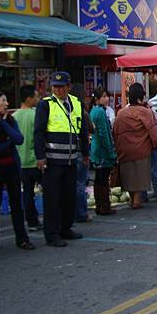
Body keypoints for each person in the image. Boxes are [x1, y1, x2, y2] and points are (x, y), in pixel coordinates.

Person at [34, 72, 89, 247]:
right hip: (52, 161)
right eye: (55, 87)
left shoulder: (76, 103)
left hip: (71, 160)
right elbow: (38, 132)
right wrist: (40, 156)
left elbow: (82, 130)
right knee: (52, 199)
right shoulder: (46, 105)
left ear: (68, 86)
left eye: (61, 86)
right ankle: (52, 234)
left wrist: (86, 153)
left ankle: (66, 228)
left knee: (68, 197)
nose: (58, 90)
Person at [0, 91, 35, 252]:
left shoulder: (10, 120)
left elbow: (18, 139)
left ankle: (22, 238)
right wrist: (6, 145)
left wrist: (3, 123)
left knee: (17, 203)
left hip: (12, 167)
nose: (7, 104)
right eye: (3, 101)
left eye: (7, 101)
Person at [113, 83, 157, 210]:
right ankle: (137, 201)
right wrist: (156, 144)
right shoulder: (145, 112)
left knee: (128, 175)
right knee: (140, 176)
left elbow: (115, 131)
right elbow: (153, 131)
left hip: (124, 149)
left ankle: (132, 199)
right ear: (140, 98)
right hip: (141, 148)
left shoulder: (121, 113)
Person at [12, 85, 41, 232]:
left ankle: (32, 221)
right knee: (49, 190)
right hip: (36, 160)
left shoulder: (14, 117)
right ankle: (51, 219)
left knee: (27, 193)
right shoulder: (35, 115)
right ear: (29, 98)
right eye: (36, 96)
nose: (38, 99)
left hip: (20, 162)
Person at [89, 87, 117, 215]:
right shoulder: (100, 112)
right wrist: (110, 150)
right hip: (102, 151)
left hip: (95, 149)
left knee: (98, 178)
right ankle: (105, 206)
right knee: (103, 179)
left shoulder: (94, 111)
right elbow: (104, 133)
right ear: (97, 98)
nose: (107, 99)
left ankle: (99, 205)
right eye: (104, 96)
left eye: (107, 96)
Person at [70, 83, 92, 223]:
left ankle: (71, 213)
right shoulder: (81, 111)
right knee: (80, 183)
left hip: (69, 151)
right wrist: (85, 154)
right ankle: (81, 213)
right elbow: (88, 130)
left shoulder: (67, 110)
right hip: (79, 151)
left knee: (71, 183)